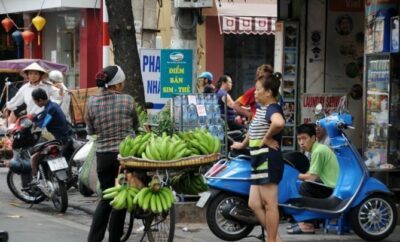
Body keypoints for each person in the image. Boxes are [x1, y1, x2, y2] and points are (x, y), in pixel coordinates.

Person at [86, 65, 139, 242]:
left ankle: (94, 239)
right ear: (116, 85)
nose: (123, 85)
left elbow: (90, 129)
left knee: (106, 198)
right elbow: (136, 126)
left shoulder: (91, 102)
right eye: (122, 83)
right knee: (121, 198)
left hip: (103, 157)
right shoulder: (128, 100)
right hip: (124, 157)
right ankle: (114, 239)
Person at [231, 73, 285, 242]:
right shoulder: (263, 109)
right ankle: (275, 238)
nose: (254, 93)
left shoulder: (272, 108)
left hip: (268, 160)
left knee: (270, 204)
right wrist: (242, 144)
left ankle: (272, 240)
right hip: (258, 161)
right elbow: (253, 130)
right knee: (254, 204)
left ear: (268, 92)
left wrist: (268, 138)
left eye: (258, 90)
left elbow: (279, 123)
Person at [287, 123, 340, 234]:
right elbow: (312, 173)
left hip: (333, 190)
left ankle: (308, 224)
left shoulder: (318, 151)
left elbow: (311, 177)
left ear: (313, 138)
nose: (301, 142)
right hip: (330, 186)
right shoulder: (316, 150)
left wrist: (293, 174)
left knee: (305, 186)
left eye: (304, 138)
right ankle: (305, 221)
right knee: (299, 184)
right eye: (299, 139)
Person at [30, 88, 74, 185]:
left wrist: (33, 121)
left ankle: (36, 180)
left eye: (35, 101)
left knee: (34, 157)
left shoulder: (51, 109)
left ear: (40, 100)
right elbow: (42, 117)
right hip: (65, 137)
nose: (35, 103)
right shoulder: (52, 105)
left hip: (59, 140)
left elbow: (43, 123)